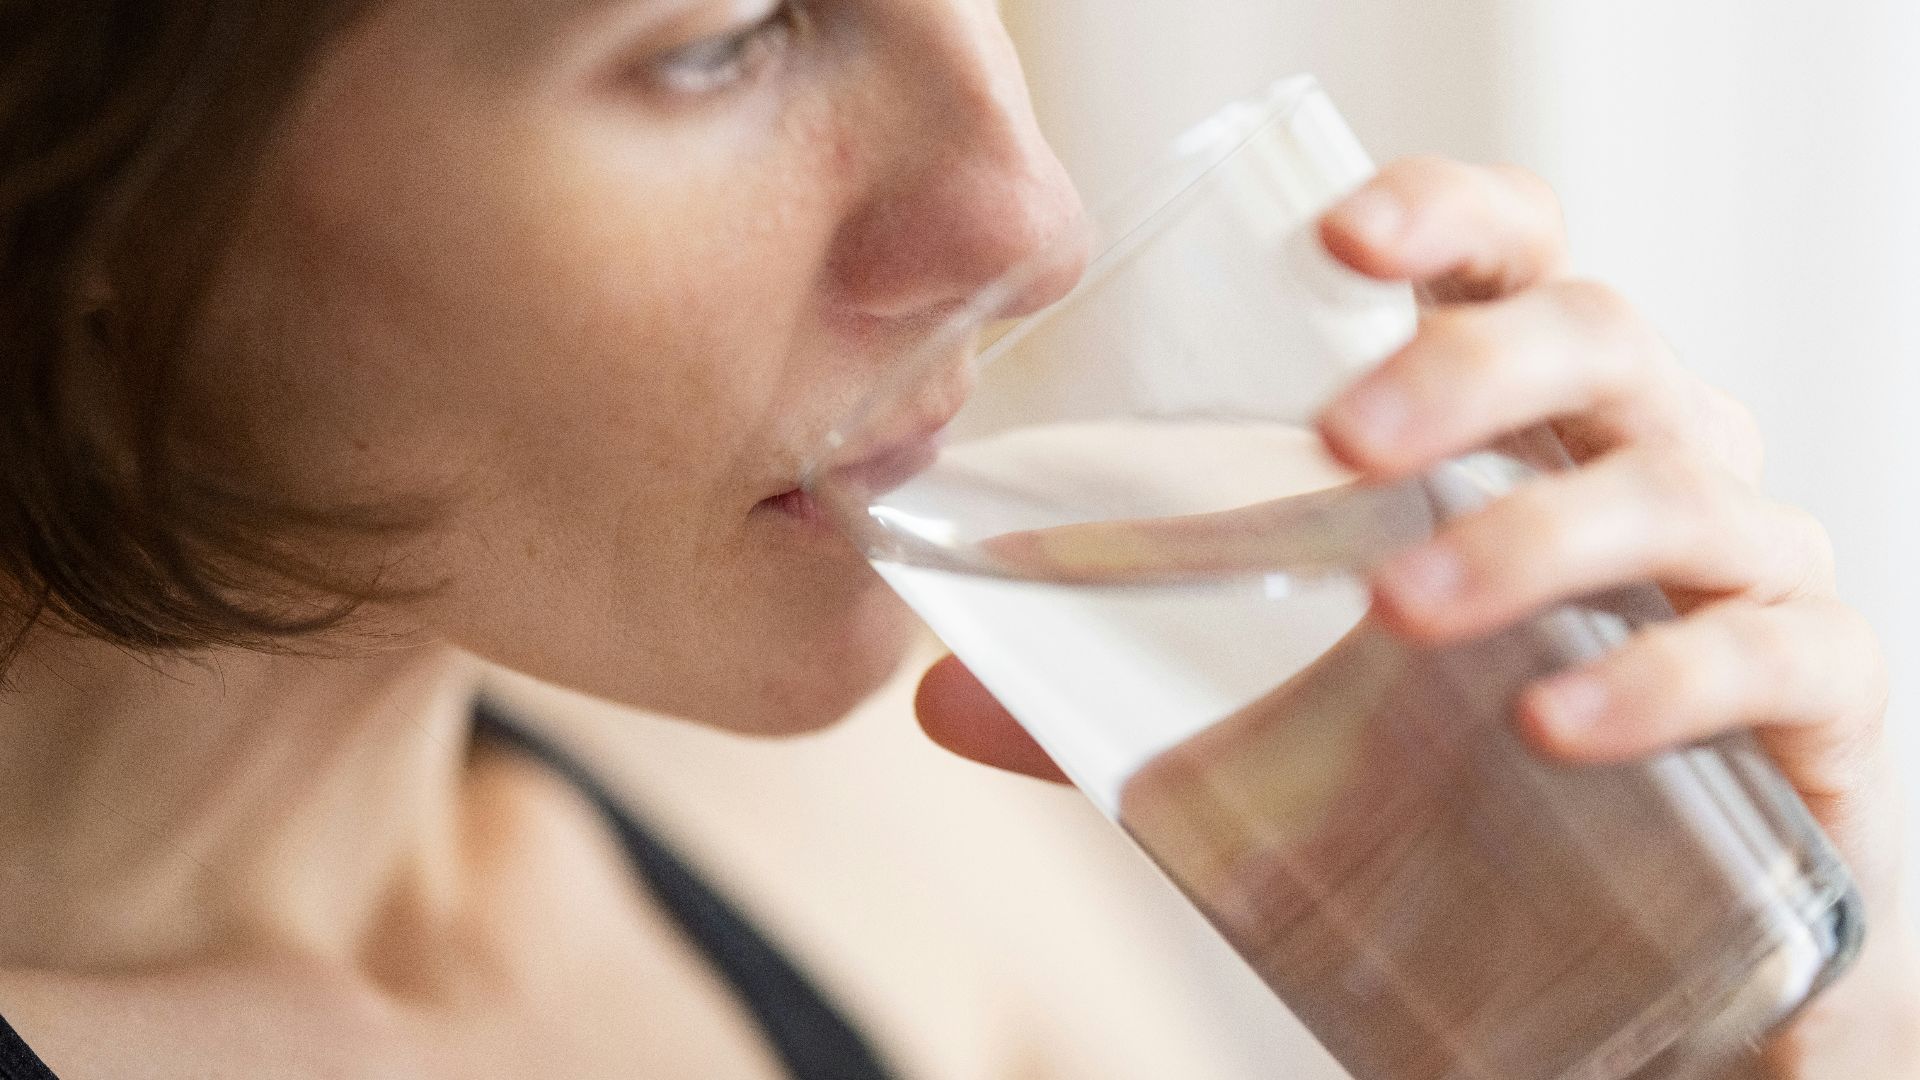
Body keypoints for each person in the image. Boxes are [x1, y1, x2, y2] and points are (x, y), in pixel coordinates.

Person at [0, 1, 1912, 1077]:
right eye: (726, 36)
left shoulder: (888, 839)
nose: (1029, 218)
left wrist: (1708, 1050)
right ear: (79, 189)